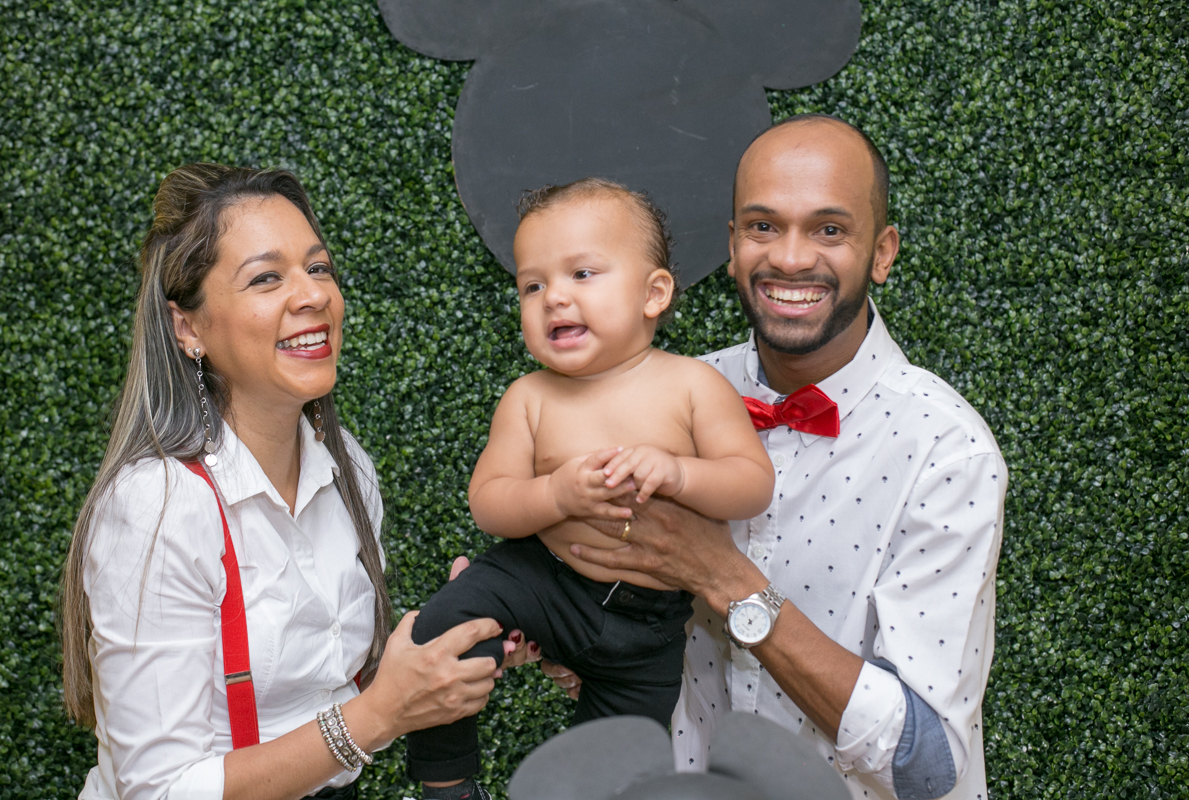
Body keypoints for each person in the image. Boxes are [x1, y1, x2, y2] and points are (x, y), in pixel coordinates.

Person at [545, 115, 1008, 800]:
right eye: (763, 226)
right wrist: (548, 615)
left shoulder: (946, 450)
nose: (790, 258)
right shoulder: (664, 397)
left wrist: (725, 578)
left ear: (881, 253)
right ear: (733, 246)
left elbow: (925, 763)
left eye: (829, 229)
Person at [58, 163, 526, 800]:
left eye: (319, 267)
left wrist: (443, 658)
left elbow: (324, 691)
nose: (313, 295)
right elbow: (159, 791)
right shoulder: (159, 505)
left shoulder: (346, 466)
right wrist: (381, 713)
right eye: (266, 277)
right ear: (188, 328)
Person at [404, 179, 776, 800]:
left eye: (581, 273)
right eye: (532, 285)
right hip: (543, 580)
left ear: (653, 294)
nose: (554, 297)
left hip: (649, 627)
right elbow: (490, 500)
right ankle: (449, 785)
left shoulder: (693, 386)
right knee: (441, 624)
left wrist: (679, 472)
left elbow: (752, 483)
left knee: (619, 758)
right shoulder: (529, 397)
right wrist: (555, 496)